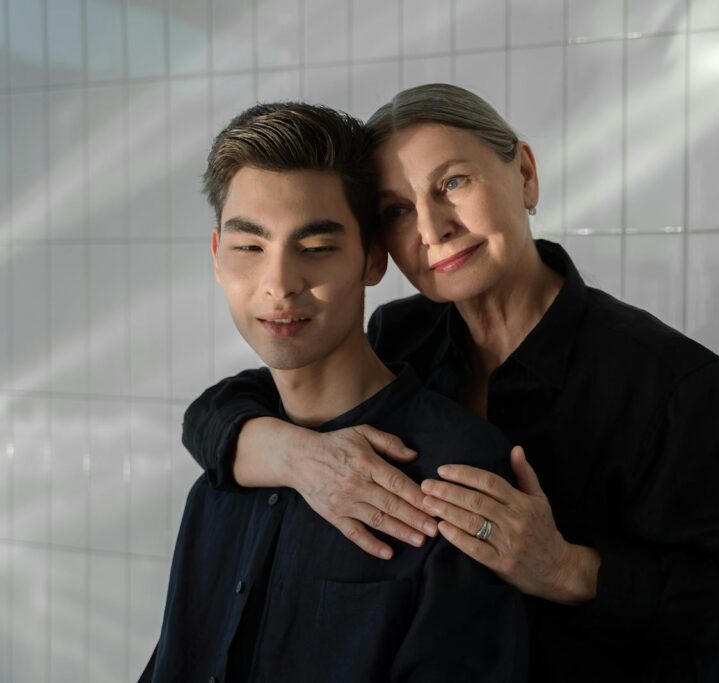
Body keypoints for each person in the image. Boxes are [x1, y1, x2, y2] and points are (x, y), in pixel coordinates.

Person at [181, 84, 719, 681]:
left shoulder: (661, 377)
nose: (432, 227)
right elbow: (225, 406)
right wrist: (295, 457)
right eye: (397, 209)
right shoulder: (401, 338)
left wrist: (567, 569)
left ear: (524, 173)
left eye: (452, 183)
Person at [142, 102, 528, 682]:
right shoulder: (224, 469)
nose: (279, 284)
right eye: (251, 248)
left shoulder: (457, 477)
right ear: (219, 258)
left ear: (373, 259)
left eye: (316, 248)